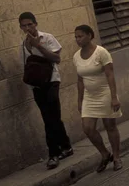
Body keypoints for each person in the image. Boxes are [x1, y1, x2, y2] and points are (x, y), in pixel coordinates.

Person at [19, 12, 73, 170]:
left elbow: (56, 59)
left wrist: (38, 46)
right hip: (37, 85)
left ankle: (53, 154)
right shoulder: (23, 44)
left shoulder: (47, 38)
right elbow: (27, 65)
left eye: (30, 24)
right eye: (24, 25)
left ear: (36, 24)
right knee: (52, 117)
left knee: (50, 119)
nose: (28, 27)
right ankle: (66, 146)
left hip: (52, 81)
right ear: (20, 27)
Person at [73, 25, 123, 172]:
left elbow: (110, 75)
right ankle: (104, 154)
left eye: (80, 36)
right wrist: (80, 100)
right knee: (88, 128)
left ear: (89, 35)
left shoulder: (101, 53)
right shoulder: (76, 56)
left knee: (110, 126)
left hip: (105, 93)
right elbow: (80, 80)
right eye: (76, 37)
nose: (78, 39)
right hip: (89, 97)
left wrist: (114, 97)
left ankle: (116, 157)